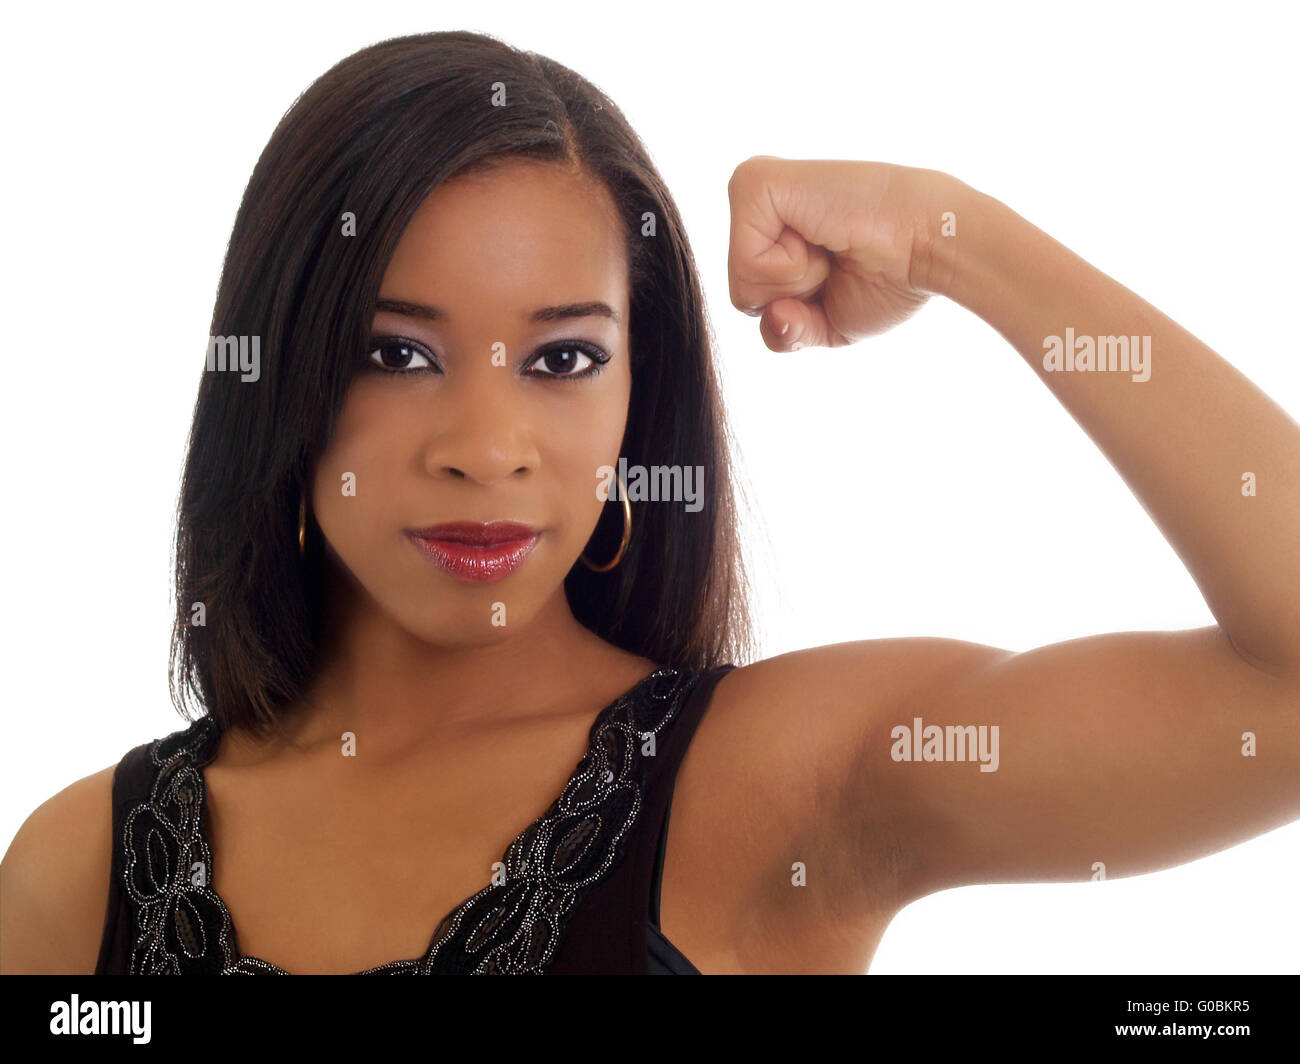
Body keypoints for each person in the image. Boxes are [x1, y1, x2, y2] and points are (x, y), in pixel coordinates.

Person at [2, 30, 1298, 975]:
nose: (488, 448)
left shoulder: (779, 787)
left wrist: (951, 234)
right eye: (397, 353)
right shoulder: (78, 872)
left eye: (563, 358)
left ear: (641, 395)